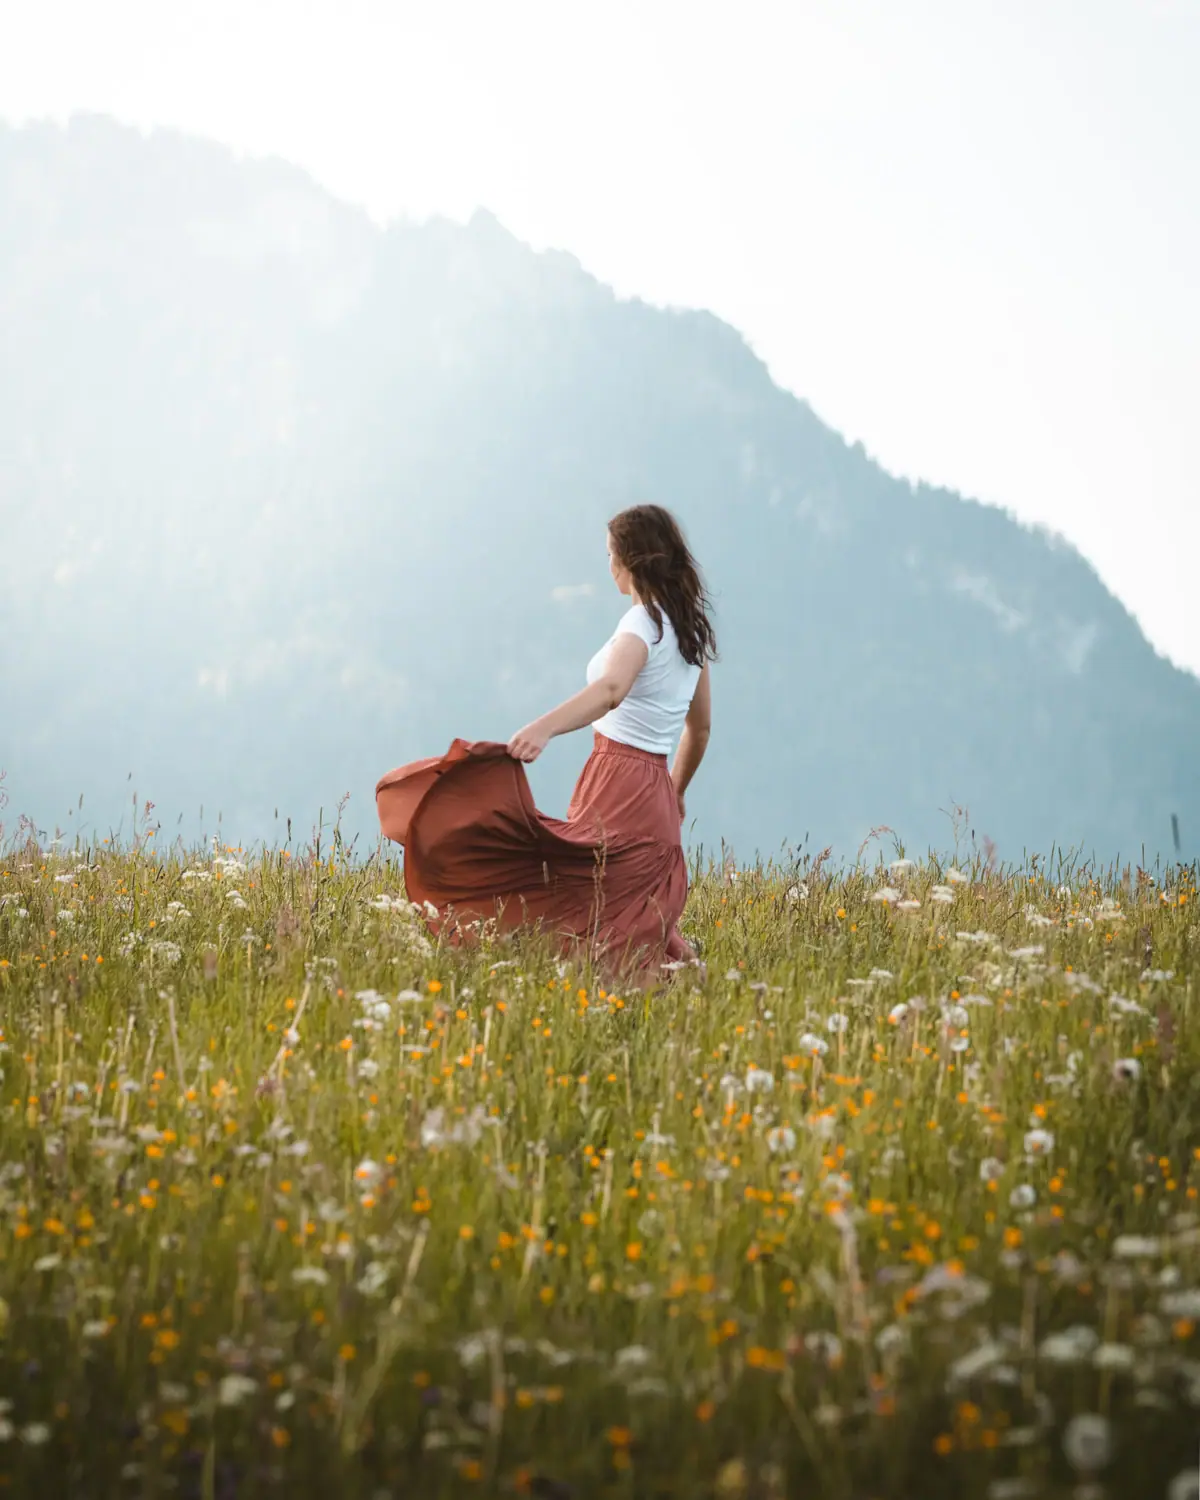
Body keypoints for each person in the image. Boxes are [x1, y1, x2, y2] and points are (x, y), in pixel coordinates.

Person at [375, 504, 716, 983]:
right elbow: (698, 730)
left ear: (630, 560)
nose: (609, 566)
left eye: (611, 555)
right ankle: (691, 991)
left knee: (577, 896)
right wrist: (675, 789)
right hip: (654, 789)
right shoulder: (689, 633)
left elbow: (611, 690)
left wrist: (544, 728)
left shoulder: (641, 625)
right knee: (620, 909)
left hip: (617, 781)